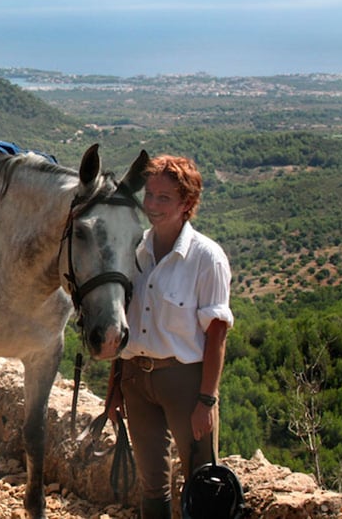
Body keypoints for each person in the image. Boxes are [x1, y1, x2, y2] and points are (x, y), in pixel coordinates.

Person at [106, 154, 234, 519]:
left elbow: (217, 337)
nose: (152, 205)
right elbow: (123, 321)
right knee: (151, 483)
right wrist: (114, 386)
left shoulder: (206, 258)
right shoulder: (134, 250)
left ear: (187, 204)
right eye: (149, 195)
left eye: (164, 198)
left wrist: (206, 401)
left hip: (185, 382)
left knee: (201, 478)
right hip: (135, 379)